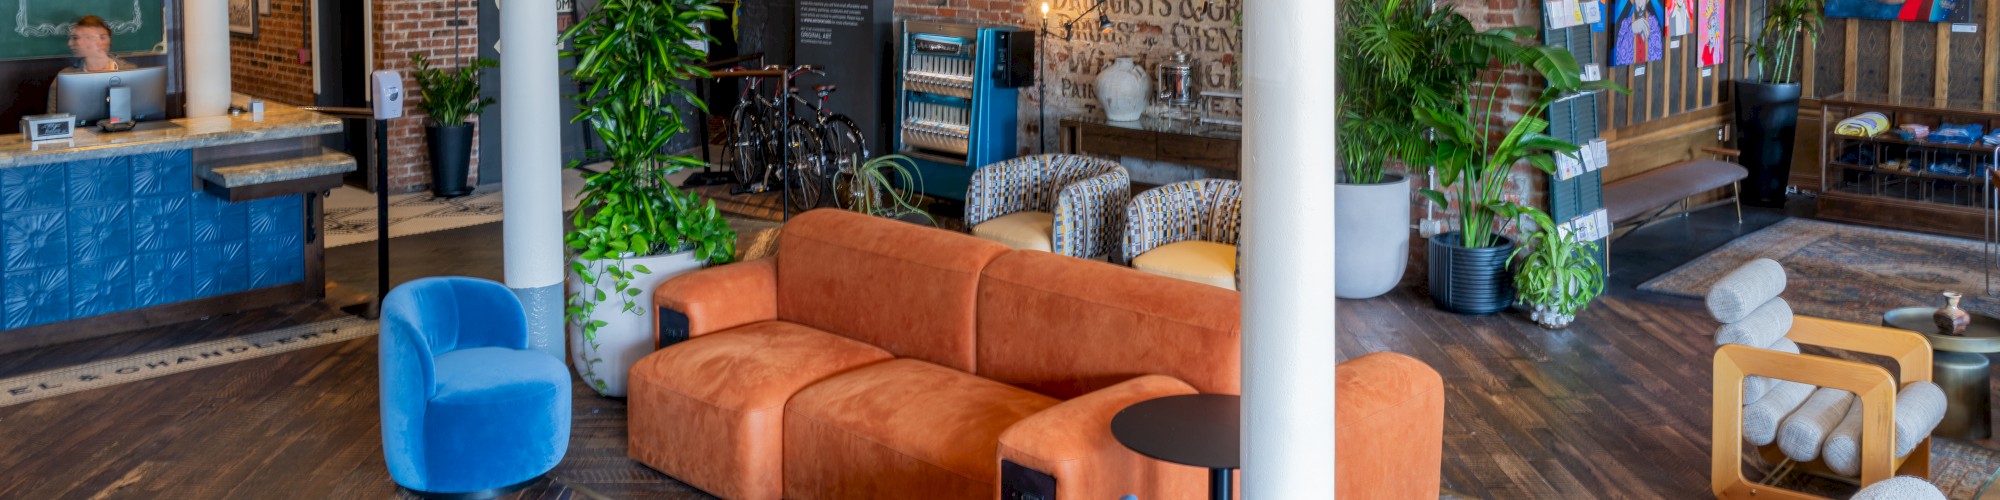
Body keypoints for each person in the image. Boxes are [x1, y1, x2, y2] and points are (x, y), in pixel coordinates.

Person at [47, 15, 139, 114]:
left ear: (101, 40)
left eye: (76, 38)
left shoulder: (130, 73)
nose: (69, 43)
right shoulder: (65, 78)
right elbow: (53, 121)